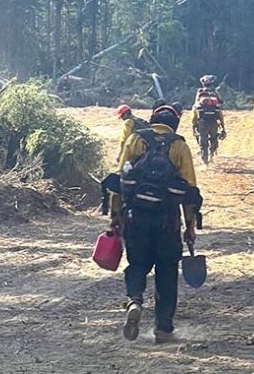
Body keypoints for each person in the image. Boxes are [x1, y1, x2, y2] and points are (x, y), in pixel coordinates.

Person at [109, 103, 199, 343]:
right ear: (174, 124)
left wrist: (115, 215)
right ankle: (163, 327)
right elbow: (190, 191)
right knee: (167, 271)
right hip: (167, 221)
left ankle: (135, 300)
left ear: (152, 120)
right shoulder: (179, 145)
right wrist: (190, 226)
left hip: (135, 217)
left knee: (137, 264)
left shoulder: (135, 139)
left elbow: (119, 181)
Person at [191, 75, 226, 164]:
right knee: (214, 137)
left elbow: (196, 103)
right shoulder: (215, 91)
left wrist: (194, 124)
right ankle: (212, 154)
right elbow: (221, 101)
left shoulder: (200, 91)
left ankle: (204, 160)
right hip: (214, 120)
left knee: (202, 139)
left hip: (202, 121)